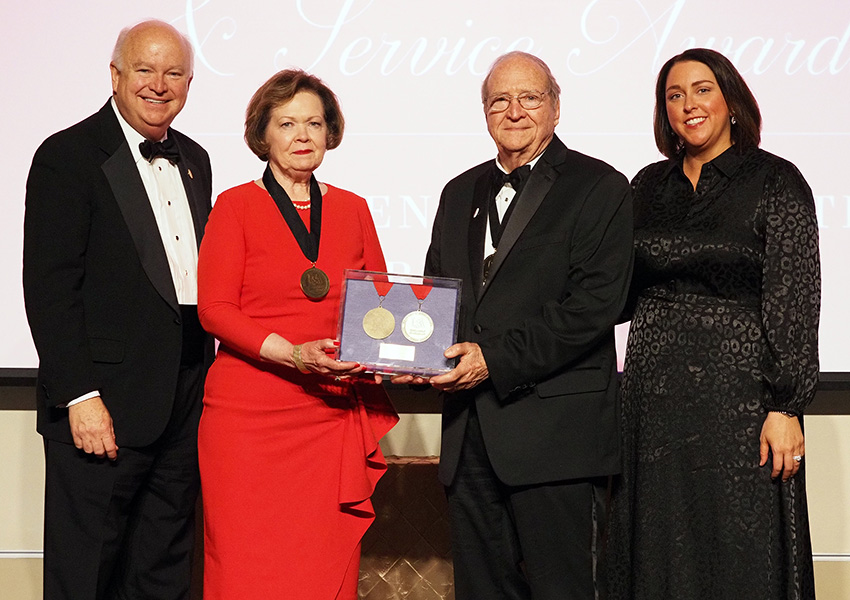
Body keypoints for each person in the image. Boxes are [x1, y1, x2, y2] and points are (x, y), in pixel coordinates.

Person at [395, 51, 633, 599]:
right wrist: (407, 356)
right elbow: (437, 296)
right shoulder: (459, 192)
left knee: (565, 590)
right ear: (484, 112)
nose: (514, 110)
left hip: (557, 440)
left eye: (529, 97)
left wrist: (492, 360)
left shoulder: (599, 186)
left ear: (555, 107)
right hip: (470, 439)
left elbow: (594, 306)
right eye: (499, 99)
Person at [606, 48, 819, 599]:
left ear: (731, 100)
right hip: (651, 403)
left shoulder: (775, 179)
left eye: (702, 90)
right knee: (658, 539)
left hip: (740, 404)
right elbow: (616, 291)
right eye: (674, 95)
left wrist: (785, 405)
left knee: (736, 544)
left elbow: (795, 296)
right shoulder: (647, 185)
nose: (688, 105)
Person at [23, 20, 212, 600]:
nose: (160, 84)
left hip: (183, 399)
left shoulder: (195, 160)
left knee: (164, 569)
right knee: (87, 574)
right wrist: (79, 396)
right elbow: (50, 287)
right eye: (145, 69)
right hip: (100, 404)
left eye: (174, 72)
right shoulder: (67, 155)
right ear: (116, 75)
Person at [196, 69, 398, 599]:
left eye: (314, 122)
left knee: (322, 564)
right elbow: (215, 310)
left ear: (331, 132)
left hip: (329, 416)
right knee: (245, 565)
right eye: (287, 124)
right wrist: (295, 356)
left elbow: (378, 305)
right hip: (248, 422)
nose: (302, 135)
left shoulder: (354, 208)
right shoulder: (234, 206)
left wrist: (390, 352)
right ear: (263, 135)